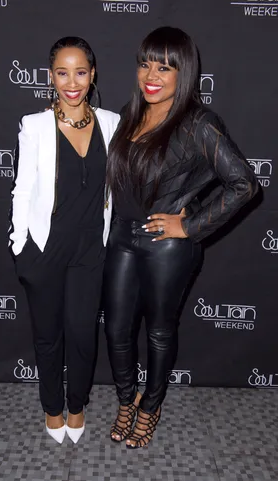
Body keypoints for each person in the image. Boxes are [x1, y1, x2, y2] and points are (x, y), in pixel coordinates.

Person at [104, 26, 258, 449]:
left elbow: (244, 183)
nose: (151, 74)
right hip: (121, 237)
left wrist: (188, 225)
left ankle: (150, 407)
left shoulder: (198, 124)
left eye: (165, 67)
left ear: (184, 72)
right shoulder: (131, 112)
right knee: (116, 330)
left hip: (167, 248)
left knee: (158, 331)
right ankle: (125, 400)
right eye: (145, 63)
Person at [9, 36, 120, 444]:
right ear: (51, 76)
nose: (71, 82)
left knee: (81, 332)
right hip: (45, 248)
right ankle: (52, 408)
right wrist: (20, 248)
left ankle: (77, 404)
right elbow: (21, 191)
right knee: (48, 335)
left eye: (80, 72)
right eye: (61, 72)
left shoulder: (111, 123)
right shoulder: (34, 125)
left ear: (92, 76)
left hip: (92, 249)